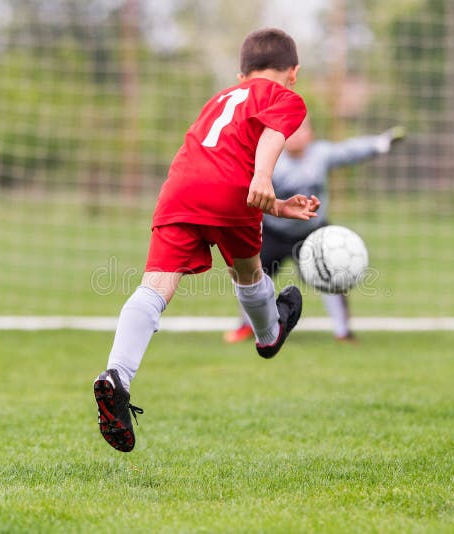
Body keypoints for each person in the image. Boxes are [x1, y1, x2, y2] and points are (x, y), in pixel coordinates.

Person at [93, 28, 321, 453]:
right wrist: (264, 175)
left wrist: (278, 204)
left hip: (179, 187)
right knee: (249, 271)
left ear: (241, 74)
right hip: (233, 192)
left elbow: (219, 158)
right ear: (293, 72)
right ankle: (269, 334)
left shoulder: (219, 99)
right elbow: (272, 136)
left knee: (155, 287)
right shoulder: (285, 97)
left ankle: (116, 377)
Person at [223, 118, 404, 343]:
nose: (296, 135)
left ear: (311, 134)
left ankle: (343, 331)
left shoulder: (321, 154)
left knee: (334, 271)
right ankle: (248, 325)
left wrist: (380, 143)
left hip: (313, 232)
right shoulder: (269, 162)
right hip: (274, 231)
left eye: (302, 130)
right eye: (291, 131)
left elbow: (350, 151)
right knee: (251, 276)